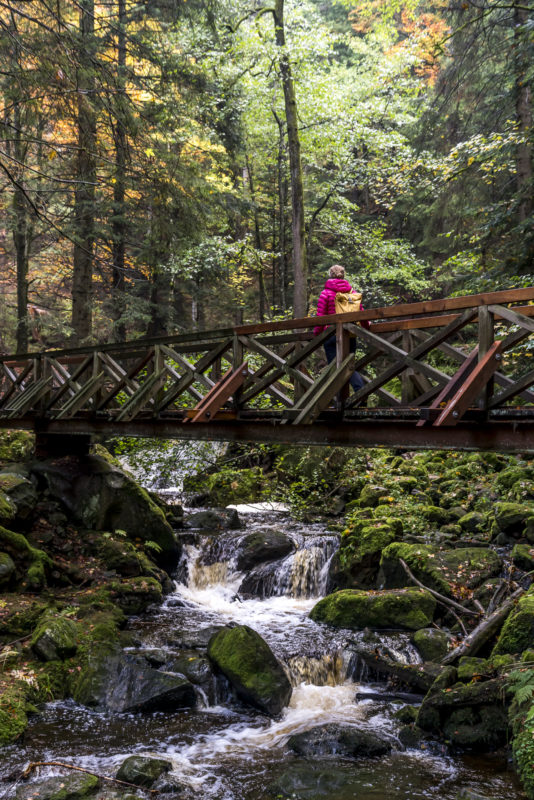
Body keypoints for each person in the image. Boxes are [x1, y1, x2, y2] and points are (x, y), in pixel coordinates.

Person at [313, 264, 367, 393]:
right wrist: (366, 327)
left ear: (330, 275)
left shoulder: (326, 293)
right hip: (350, 334)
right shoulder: (352, 293)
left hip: (331, 335)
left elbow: (320, 316)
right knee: (348, 365)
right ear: (343, 275)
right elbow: (361, 312)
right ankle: (356, 395)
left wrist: (317, 334)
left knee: (338, 367)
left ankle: (357, 392)